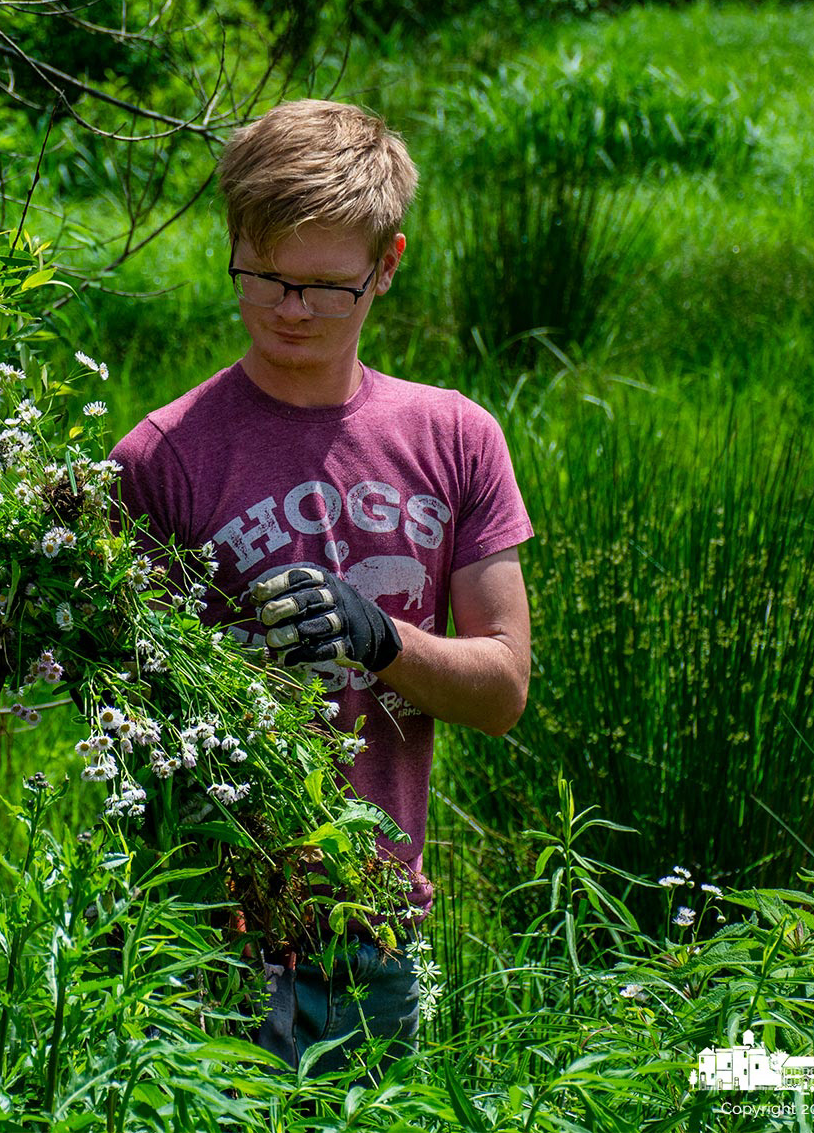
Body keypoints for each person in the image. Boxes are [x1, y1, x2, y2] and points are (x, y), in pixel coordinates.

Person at [110, 98, 533, 1072]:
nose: (290, 309)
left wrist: (376, 635)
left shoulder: (456, 438)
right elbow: (123, 716)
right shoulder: (163, 457)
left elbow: (503, 687)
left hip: (374, 924)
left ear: (386, 265)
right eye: (264, 277)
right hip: (204, 926)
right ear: (234, 246)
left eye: (325, 287)